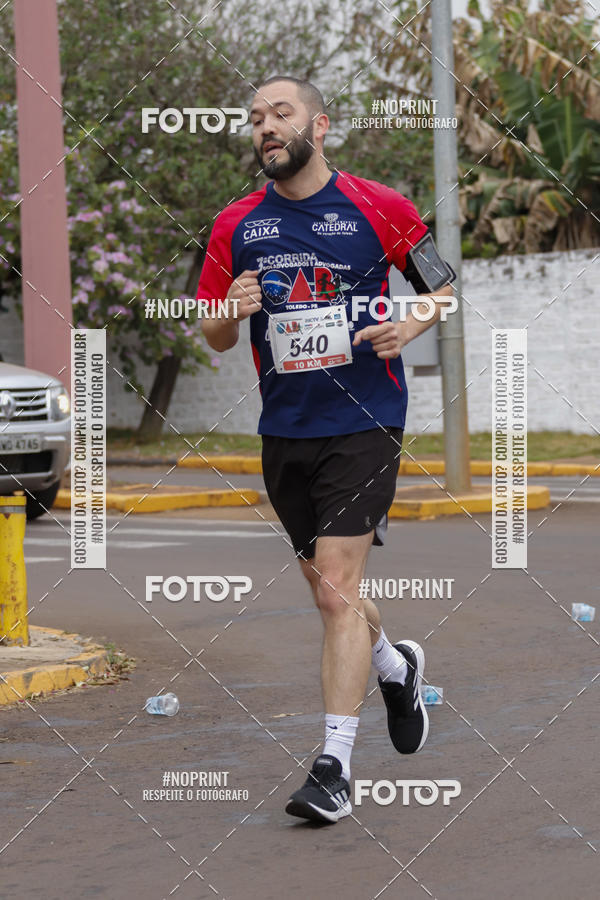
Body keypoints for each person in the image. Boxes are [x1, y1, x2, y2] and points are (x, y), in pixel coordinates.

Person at [198, 75, 455, 824]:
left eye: (280, 114)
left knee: (338, 585)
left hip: (366, 418)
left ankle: (334, 768)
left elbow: (440, 287)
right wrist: (229, 311)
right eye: (255, 119)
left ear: (322, 125)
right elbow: (213, 333)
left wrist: (408, 325)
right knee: (328, 592)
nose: (265, 128)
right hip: (287, 428)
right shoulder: (236, 224)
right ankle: (396, 667)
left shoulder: (383, 206)